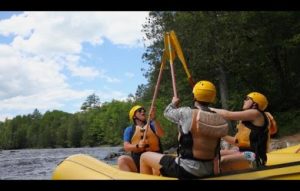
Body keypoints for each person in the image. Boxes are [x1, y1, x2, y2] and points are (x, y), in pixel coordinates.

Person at [140, 80, 228, 179]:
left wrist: (173, 103)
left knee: (144, 156)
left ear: (195, 96)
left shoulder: (186, 112)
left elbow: (167, 112)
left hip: (187, 170)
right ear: (212, 98)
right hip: (209, 169)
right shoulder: (220, 119)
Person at [210, 92, 270, 171]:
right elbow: (236, 142)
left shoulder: (256, 113)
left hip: (255, 156)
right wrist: (220, 134)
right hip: (243, 152)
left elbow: (228, 115)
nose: (244, 100)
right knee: (212, 155)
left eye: (247, 99)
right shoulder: (248, 120)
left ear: (255, 103)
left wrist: (209, 109)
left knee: (222, 161)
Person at [117, 105, 164, 173]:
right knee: (122, 159)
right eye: (139, 111)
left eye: (143, 111)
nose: (143, 112)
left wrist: (153, 119)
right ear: (134, 116)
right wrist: (137, 146)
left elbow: (161, 134)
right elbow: (126, 147)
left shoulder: (152, 124)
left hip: (154, 161)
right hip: (138, 163)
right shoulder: (129, 129)